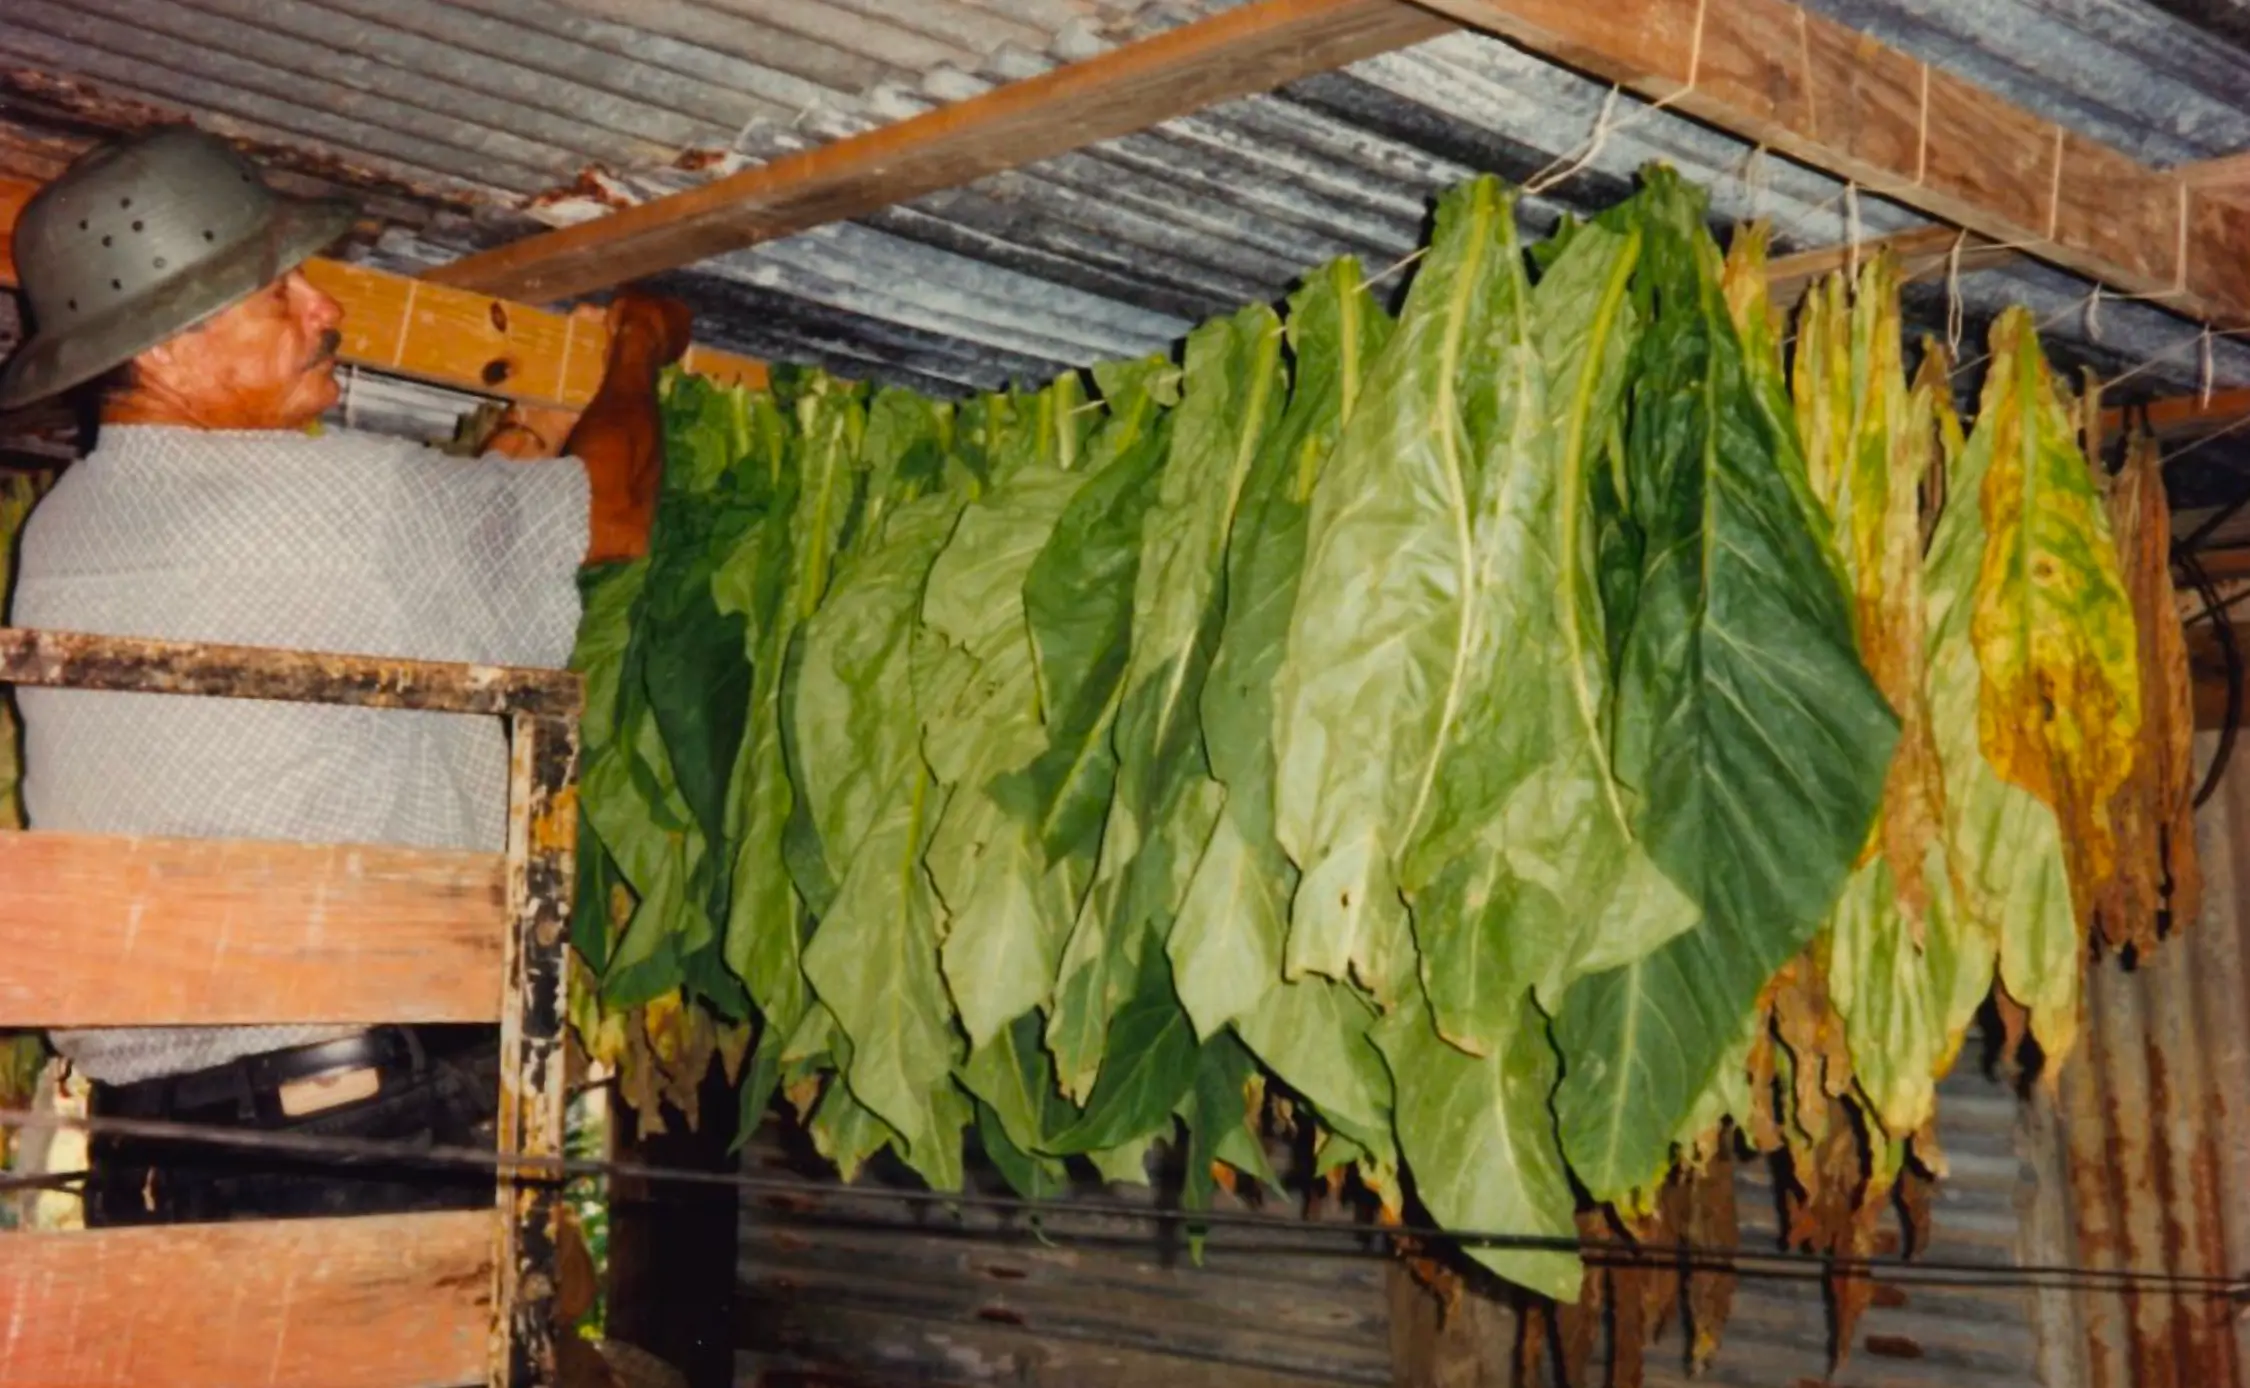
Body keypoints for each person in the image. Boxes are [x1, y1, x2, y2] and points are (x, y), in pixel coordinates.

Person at [0, 125, 689, 1223]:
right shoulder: (346, 505)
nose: (326, 309)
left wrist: (516, 447)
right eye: (279, 292)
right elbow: (613, 514)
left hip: (156, 1153)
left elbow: (369, 595)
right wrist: (640, 350)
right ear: (168, 350)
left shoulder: (68, 528)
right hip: (362, 1128)